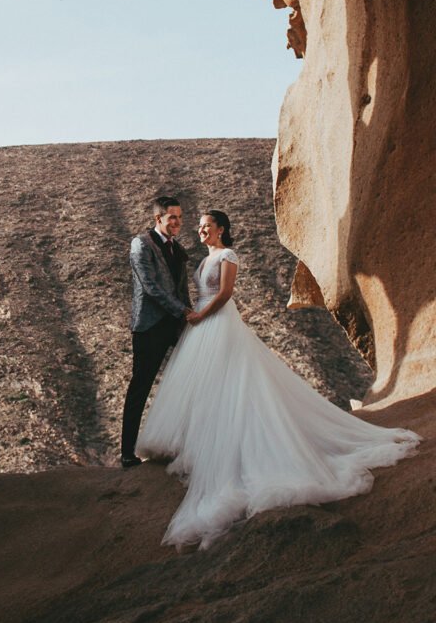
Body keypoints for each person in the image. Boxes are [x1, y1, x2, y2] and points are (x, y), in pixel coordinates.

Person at [136, 210, 421, 549]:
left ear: (221, 229)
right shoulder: (203, 259)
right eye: (199, 225)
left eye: (206, 225)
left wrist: (200, 315)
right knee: (207, 385)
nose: (201, 229)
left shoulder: (228, 255)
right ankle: (196, 442)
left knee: (233, 381)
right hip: (200, 327)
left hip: (218, 322)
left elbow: (225, 293)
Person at [120, 196, 191, 468]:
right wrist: (182, 311)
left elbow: (181, 288)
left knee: (186, 384)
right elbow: (150, 285)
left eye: (180, 217)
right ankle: (127, 452)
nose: (177, 222)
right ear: (158, 218)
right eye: (172, 217)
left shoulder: (177, 248)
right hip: (149, 327)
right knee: (140, 387)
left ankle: (180, 444)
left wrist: (189, 315)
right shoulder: (141, 244)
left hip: (177, 326)